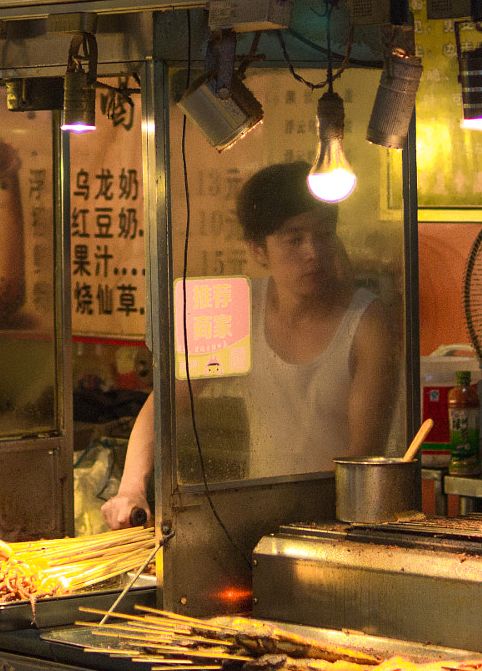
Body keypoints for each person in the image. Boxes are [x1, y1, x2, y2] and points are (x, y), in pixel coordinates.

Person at [100, 161, 400, 529]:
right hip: (260, 521)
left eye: (324, 234)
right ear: (258, 249)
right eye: (294, 239)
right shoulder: (238, 306)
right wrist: (131, 487)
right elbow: (164, 404)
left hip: (343, 522)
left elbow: (364, 454)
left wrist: (291, 517)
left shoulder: (368, 322)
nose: (313, 252)